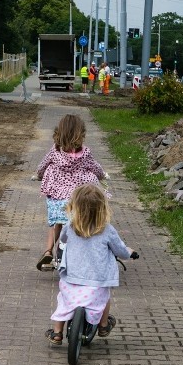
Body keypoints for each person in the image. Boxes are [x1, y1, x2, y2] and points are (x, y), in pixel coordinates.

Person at [46, 184, 136, 346]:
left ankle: (57, 332)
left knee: (65, 302)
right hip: (97, 280)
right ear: (102, 208)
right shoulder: (107, 230)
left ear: (75, 206)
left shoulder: (71, 226)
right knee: (103, 299)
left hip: (72, 277)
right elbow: (120, 251)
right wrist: (129, 252)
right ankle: (103, 325)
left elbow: (64, 240)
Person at [35, 114, 107, 271]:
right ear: (81, 134)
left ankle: (48, 252)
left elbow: (42, 166)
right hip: (79, 198)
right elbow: (96, 168)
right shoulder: (85, 154)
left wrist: (39, 175)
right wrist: (102, 175)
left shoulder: (55, 152)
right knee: (83, 221)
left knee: (56, 224)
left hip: (58, 199)